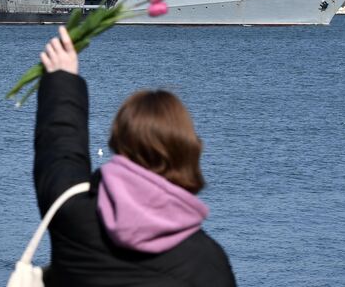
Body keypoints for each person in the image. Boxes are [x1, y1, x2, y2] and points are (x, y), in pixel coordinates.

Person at [34, 26, 237, 286]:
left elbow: (60, 148)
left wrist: (62, 78)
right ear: (189, 151)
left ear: (118, 143)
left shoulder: (73, 216)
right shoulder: (207, 264)